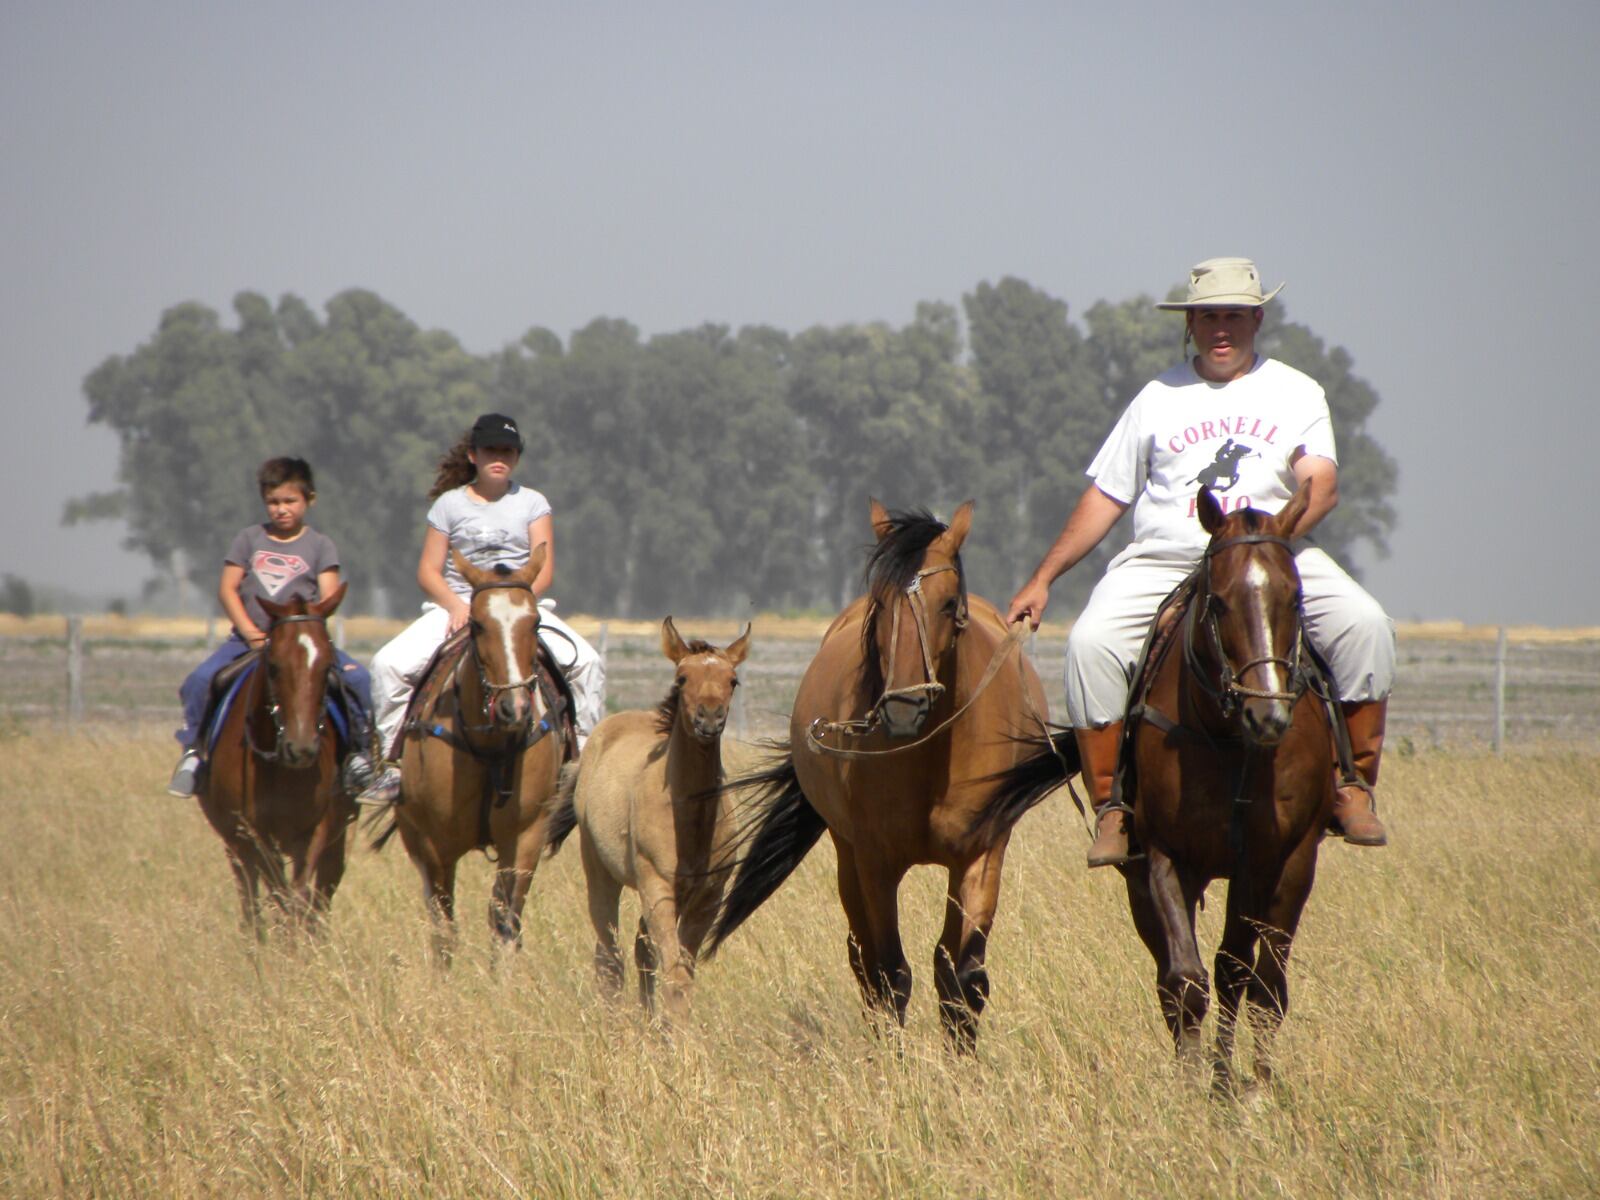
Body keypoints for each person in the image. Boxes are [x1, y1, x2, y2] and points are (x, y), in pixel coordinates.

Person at [1007, 257, 1393, 868]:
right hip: (1166, 557)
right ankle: (1112, 805)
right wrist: (1043, 577)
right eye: (1208, 315)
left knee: (1365, 623)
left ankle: (1353, 785)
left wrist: (1274, 535)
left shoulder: (1296, 391)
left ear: (1257, 319)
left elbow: (1321, 480)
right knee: (1090, 644)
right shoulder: (1157, 397)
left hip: (1267, 553)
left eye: (1233, 316)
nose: (1221, 328)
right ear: (1190, 323)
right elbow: (1107, 495)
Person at [356, 413, 606, 806]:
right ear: (473, 455)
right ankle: (393, 766)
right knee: (388, 664)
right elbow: (428, 570)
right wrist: (457, 605)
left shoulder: (533, 503)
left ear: (517, 457)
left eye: (507, 450)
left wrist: (518, 603)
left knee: (587, 662)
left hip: (520, 607)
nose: (499, 457)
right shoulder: (448, 505)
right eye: (491, 450)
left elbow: (545, 567)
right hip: (458, 606)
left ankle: (583, 766)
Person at [167, 457, 376, 796]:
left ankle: (359, 756)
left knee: (356, 678)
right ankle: (194, 754)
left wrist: (305, 634)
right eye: (273, 502)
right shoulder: (248, 539)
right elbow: (227, 590)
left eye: (289, 501)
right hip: (249, 640)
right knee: (200, 680)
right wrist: (251, 634)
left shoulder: (321, 546)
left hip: (303, 642)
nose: (281, 509)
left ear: (309, 499)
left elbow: (326, 598)